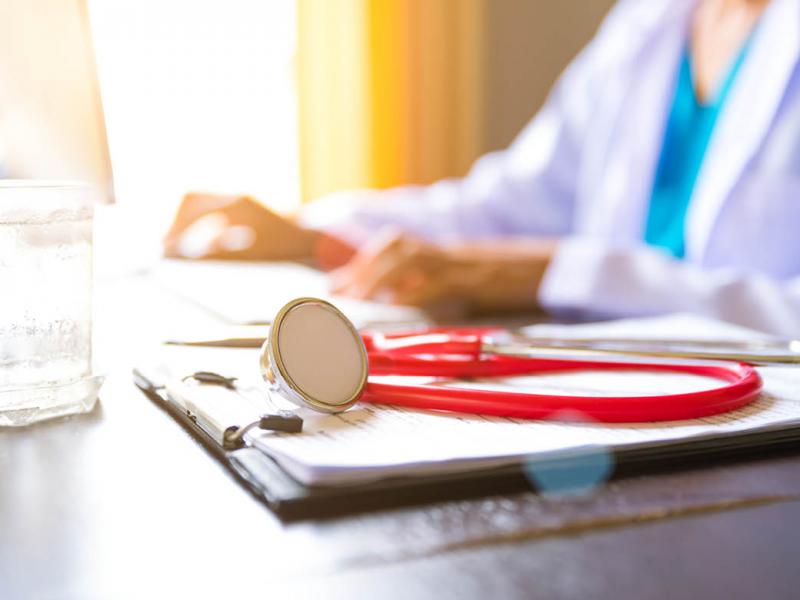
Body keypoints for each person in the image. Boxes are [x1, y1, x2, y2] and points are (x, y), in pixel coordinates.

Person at [164, 0, 800, 336]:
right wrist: (311, 229)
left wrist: (558, 271)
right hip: (617, 391)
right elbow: (507, 205)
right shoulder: (652, 23)